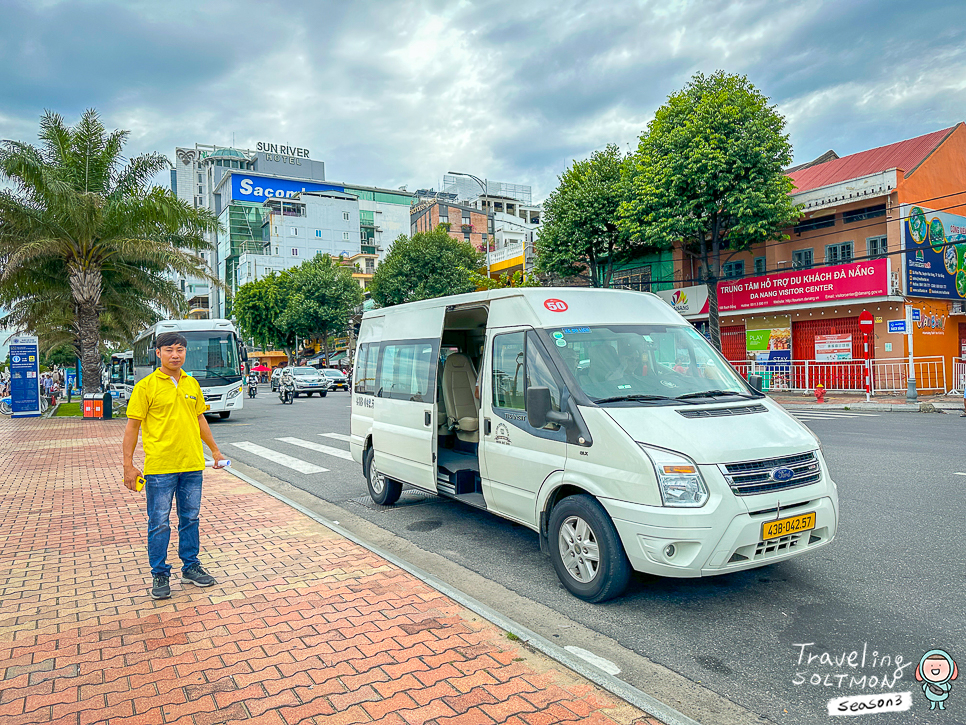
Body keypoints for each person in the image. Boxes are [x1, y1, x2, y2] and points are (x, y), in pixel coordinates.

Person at [122, 332, 228, 600]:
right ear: (158, 353)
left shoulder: (192, 383)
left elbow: (200, 419)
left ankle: (190, 567)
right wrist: (128, 466)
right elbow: (132, 428)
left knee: (190, 519)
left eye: (180, 349)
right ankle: (159, 573)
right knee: (159, 522)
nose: (175, 354)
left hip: (192, 464)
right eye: (169, 349)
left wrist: (214, 451)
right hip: (160, 468)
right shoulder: (145, 386)